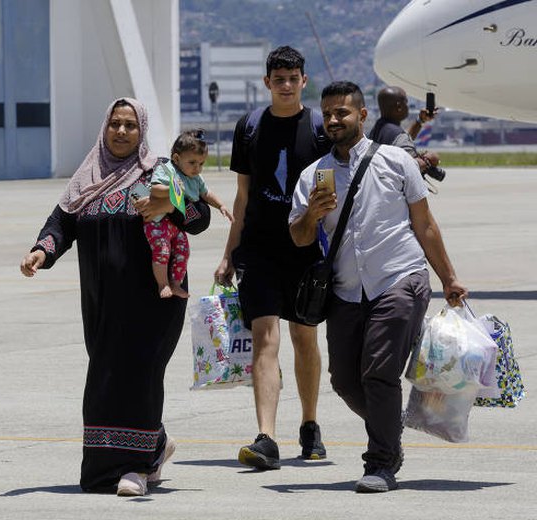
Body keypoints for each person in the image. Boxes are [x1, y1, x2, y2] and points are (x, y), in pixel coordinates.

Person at [19, 98, 210, 496]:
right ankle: (146, 449)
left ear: (142, 132)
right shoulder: (86, 178)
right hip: (103, 302)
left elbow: (198, 220)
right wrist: (42, 250)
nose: (121, 132)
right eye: (115, 124)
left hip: (154, 301)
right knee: (106, 380)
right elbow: (60, 224)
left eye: (130, 126)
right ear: (105, 128)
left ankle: (136, 469)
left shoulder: (158, 172)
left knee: (139, 375)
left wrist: (170, 204)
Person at [289, 81, 467, 493]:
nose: (334, 120)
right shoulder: (314, 175)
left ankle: (381, 462)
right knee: (345, 381)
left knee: (379, 372)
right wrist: (312, 216)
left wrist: (449, 277)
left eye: (343, 113)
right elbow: (297, 237)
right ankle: (390, 433)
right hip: (346, 289)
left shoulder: (395, 161)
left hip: (399, 278)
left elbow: (424, 224)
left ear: (362, 115)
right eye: (328, 113)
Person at [214, 45, 332, 470]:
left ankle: (310, 423)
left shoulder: (319, 128)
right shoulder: (249, 127)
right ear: (267, 83)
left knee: (305, 338)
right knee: (265, 337)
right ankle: (266, 436)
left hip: (305, 252)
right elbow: (242, 198)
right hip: (260, 251)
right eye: (278, 79)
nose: (285, 85)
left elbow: (329, 196)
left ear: (303, 81)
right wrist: (228, 254)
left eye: (293, 78)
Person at [143, 129, 233, 298]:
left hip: (177, 224)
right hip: (159, 221)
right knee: (162, 250)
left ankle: (176, 283)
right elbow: (155, 189)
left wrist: (221, 205)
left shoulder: (195, 178)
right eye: (192, 163)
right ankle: (163, 284)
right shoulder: (168, 170)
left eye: (201, 163)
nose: (197, 168)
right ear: (177, 159)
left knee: (183, 251)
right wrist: (172, 189)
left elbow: (206, 193)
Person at [369, 86, 442, 182]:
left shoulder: (379, 128)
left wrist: (420, 121)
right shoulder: (398, 136)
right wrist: (427, 160)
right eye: (406, 103)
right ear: (399, 107)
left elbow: (402, 140)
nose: (408, 106)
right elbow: (412, 167)